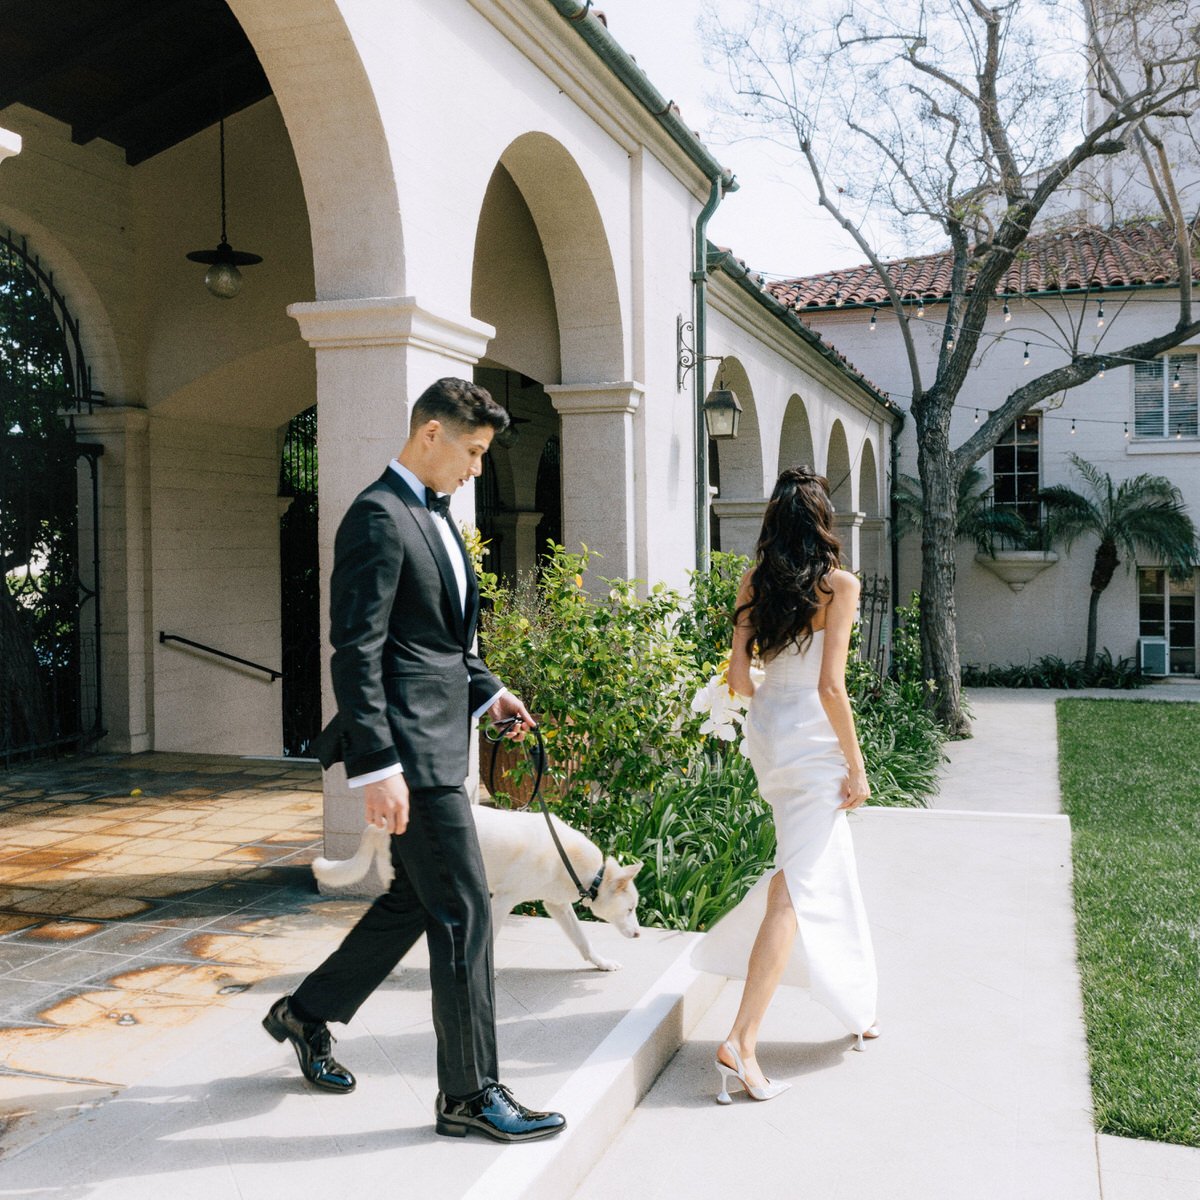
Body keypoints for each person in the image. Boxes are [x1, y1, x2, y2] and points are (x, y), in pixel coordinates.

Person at [263, 377, 565, 1144]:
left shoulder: (433, 514)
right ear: (430, 434)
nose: (474, 469)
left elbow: (435, 643)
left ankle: (303, 1013)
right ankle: (468, 1093)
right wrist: (377, 766)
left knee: (415, 903)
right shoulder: (376, 517)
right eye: (471, 452)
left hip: (440, 740)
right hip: (410, 759)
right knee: (464, 911)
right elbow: (356, 652)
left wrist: (488, 692)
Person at [691, 466, 878, 1104]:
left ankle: (856, 1002)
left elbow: (741, 684)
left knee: (813, 866)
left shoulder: (753, 583)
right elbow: (832, 687)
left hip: (770, 739)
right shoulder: (840, 584)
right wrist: (856, 765)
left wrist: (752, 647)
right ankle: (742, 1041)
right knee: (796, 887)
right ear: (823, 522)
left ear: (774, 520)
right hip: (813, 743)